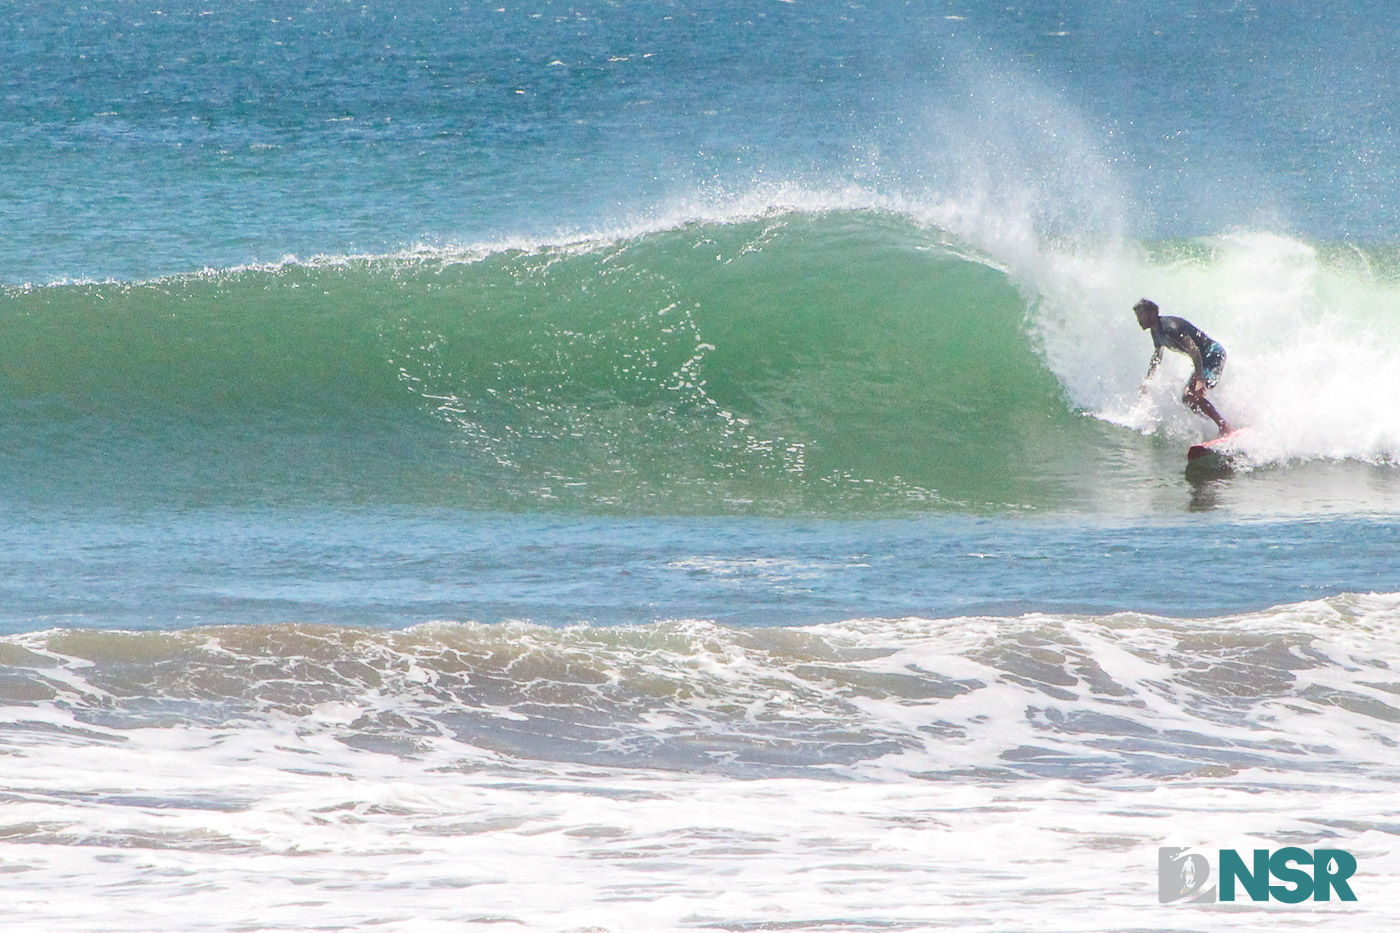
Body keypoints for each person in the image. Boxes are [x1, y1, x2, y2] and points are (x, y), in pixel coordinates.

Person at [1133, 298, 1232, 436]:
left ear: (1153, 313)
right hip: (1204, 359)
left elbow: (1194, 350)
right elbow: (1157, 357)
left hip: (1213, 354)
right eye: (1138, 317)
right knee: (1187, 400)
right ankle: (1216, 425)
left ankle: (1224, 426)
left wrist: (1199, 379)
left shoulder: (1171, 328)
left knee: (1190, 394)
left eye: (1141, 316)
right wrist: (1148, 381)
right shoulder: (1155, 332)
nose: (1139, 320)